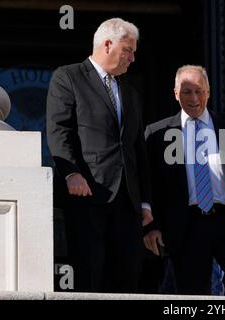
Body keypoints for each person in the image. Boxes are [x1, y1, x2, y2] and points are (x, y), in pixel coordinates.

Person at [46, 18, 152, 293]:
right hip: (88, 194)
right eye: (128, 50)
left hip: (127, 202)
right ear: (107, 44)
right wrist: (71, 173)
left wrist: (146, 202)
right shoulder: (68, 76)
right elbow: (59, 131)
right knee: (90, 273)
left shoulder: (128, 91)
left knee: (127, 276)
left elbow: (137, 148)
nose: (132, 58)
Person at [143, 65, 225, 295]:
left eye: (199, 91)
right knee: (192, 291)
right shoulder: (156, 133)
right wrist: (152, 226)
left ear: (209, 92)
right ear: (175, 93)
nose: (194, 98)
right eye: (187, 91)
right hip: (186, 224)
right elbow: (149, 184)